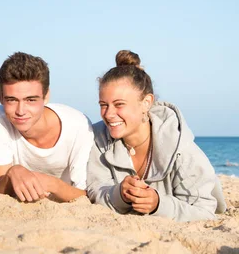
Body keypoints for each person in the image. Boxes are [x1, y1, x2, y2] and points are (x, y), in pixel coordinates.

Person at [87, 50, 226, 221]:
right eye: (103, 105)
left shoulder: (180, 147)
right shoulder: (98, 137)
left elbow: (204, 212)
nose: (108, 114)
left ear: (146, 103)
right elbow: (94, 189)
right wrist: (119, 194)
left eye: (119, 104)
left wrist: (158, 204)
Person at [0, 52, 94, 202]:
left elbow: (87, 196)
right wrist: (12, 172)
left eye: (30, 100)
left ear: (46, 96)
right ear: (1, 98)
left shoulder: (78, 125)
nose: (20, 111)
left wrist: (52, 184)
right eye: (12, 100)